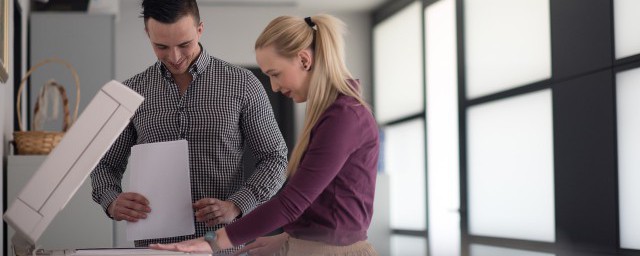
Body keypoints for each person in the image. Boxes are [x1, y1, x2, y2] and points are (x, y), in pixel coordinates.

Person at [151, 14, 380, 256]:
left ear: (304, 60)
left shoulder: (343, 117)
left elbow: (292, 202)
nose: (274, 87)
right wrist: (289, 237)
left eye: (275, 73)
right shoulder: (333, 114)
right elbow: (329, 203)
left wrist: (211, 241)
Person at [89, 0, 288, 250]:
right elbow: (105, 164)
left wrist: (237, 205)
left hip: (222, 247)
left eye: (184, 44)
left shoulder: (243, 84)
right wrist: (112, 201)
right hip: (155, 249)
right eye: (161, 46)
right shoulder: (132, 92)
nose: (174, 57)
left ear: (200, 30)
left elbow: (275, 158)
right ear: (147, 34)